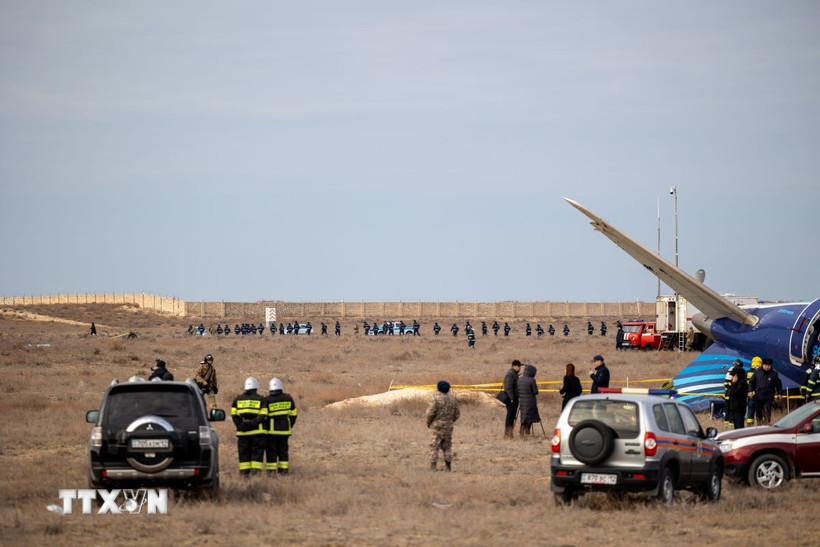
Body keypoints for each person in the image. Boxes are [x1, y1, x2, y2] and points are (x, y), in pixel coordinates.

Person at [231, 377, 267, 476]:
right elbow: (263, 415)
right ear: (256, 387)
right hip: (257, 432)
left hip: (243, 433)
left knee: (243, 454)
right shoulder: (261, 399)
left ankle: (244, 475)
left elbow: (234, 415)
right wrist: (253, 423)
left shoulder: (237, 399)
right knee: (257, 454)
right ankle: (256, 475)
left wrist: (242, 425)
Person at [264, 378, 298, 476]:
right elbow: (293, 414)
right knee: (283, 451)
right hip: (285, 431)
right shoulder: (288, 398)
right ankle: (283, 471)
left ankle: (271, 473)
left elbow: (264, 417)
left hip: (271, 431)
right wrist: (289, 425)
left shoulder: (267, 400)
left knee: (271, 451)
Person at [426, 380, 460, 472]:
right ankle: (448, 467)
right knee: (447, 447)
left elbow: (430, 413)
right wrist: (450, 421)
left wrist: (429, 423)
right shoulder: (453, 400)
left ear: (438, 389)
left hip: (436, 426)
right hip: (448, 427)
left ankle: (433, 467)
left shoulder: (435, 400)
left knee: (434, 446)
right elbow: (457, 414)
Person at [749, 358, 782, 425]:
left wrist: (779, 393)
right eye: (765, 365)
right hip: (758, 396)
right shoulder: (757, 373)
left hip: (768, 397)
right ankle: (759, 425)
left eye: (768, 365)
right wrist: (750, 391)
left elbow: (778, 384)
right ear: (762, 365)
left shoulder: (774, 374)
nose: (767, 367)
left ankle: (766, 425)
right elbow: (751, 382)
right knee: (759, 413)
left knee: (767, 412)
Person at [517, 364, 540, 437]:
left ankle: (521, 432)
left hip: (522, 402)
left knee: (523, 416)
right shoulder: (532, 380)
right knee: (530, 418)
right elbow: (535, 392)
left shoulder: (519, 380)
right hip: (531, 402)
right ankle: (527, 432)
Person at [501, 360, 522, 439]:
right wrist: (512, 398)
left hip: (514, 399)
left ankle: (510, 433)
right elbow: (508, 388)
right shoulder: (510, 374)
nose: (519, 368)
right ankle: (507, 434)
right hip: (511, 400)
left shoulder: (514, 373)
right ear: (514, 366)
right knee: (510, 416)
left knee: (512, 417)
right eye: (518, 366)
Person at [726, 363, 748, 429]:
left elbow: (734, 393)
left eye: (733, 375)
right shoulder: (738, 383)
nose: (732, 377)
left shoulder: (742, 383)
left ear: (737, 375)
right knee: (736, 427)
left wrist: (734, 383)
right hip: (735, 408)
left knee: (739, 427)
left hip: (739, 409)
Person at [745, 356, 762, 425]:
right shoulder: (760, 373)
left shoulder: (747, 372)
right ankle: (760, 424)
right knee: (759, 410)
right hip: (758, 394)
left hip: (750, 394)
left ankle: (749, 424)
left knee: (750, 409)